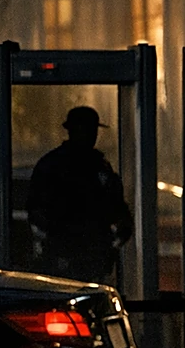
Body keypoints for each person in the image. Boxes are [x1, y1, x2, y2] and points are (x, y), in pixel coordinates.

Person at [27, 106, 133, 285]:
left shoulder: (98, 166)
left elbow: (117, 209)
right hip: (65, 258)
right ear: (73, 131)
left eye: (92, 131)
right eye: (86, 130)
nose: (91, 136)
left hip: (91, 257)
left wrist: (114, 240)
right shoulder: (55, 167)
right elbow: (37, 211)